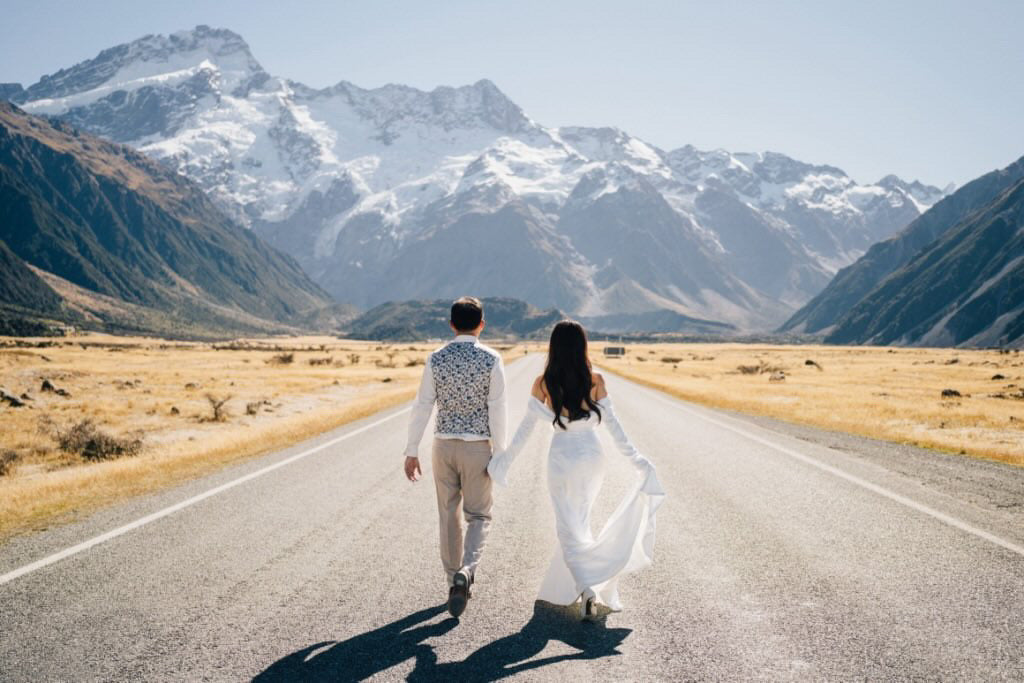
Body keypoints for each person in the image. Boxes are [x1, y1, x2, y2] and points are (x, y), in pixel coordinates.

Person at [488, 320, 664, 619]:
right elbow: (615, 427)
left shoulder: (543, 382)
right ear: (582, 346)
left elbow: (526, 429)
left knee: (568, 525)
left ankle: (587, 587)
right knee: (580, 519)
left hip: (561, 457)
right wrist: (638, 460)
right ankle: (587, 583)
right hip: (592, 457)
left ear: (553, 347)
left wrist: (502, 461)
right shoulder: (595, 381)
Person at [403, 296, 507, 618]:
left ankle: (453, 582)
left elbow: (423, 405)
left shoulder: (436, 358)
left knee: (448, 514)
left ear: (451, 325)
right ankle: (467, 569)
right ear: (481, 325)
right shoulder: (492, 359)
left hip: (443, 446)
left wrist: (411, 449)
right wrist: (501, 452)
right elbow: (498, 409)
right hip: (478, 448)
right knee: (479, 516)